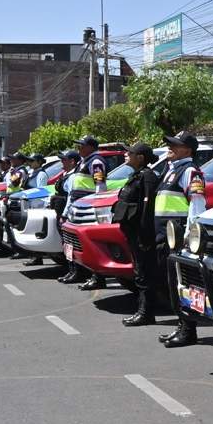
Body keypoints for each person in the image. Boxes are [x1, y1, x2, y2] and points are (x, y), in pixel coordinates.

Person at [156, 131, 207, 348]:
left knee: (182, 284)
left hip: (179, 239)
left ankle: (188, 330)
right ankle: (181, 326)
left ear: (187, 150)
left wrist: (189, 236)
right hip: (167, 237)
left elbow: (197, 205)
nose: (170, 148)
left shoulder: (190, 171)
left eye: (175, 145)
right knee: (172, 284)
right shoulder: (172, 170)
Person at [115, 143, 161, 327]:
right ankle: (142, 311)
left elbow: (147, 210)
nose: (126, 155)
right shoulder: (136, 175)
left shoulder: (147, 177)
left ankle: (146, 313)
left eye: (130, 153)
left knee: (144, 274)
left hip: (142, 235)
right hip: (133, 233)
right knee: (139, 272)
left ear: (140, 157)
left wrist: (145, 236)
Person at [67, 136, 109, 290]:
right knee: (74, 242)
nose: (79, 149)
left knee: (90, 244)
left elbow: (100, 185)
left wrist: (96, 204)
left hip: (88, 208)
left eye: (82, 146)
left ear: (91, 147)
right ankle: (77, 271)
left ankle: (97, 277)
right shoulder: (82, 162)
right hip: (78, 207)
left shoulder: (96, 162)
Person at [54, 150, 84, 282]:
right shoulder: (66, 174)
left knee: (70, 244)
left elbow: (70, 198)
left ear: (72, 162)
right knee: (66, 244)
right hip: (62, 213)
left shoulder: (74, 176)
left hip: (68, 215)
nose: (62, 162)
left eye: (64, 160)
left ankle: (76, 271)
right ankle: (71, 269)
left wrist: (65, 215)